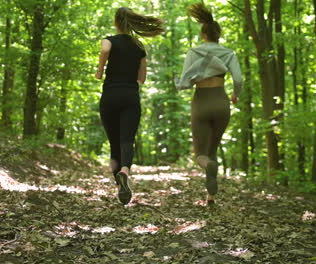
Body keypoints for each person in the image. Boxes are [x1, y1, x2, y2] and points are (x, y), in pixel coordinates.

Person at [95, 7, 164, 205]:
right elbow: (141, 79)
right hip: (130, 97)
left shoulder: (109, 40)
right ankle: (125, 170)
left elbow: (105, 50)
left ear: (117, 22)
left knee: (114, 145)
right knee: (127, 139)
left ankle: (119, 185)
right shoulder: (139, 46)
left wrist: (100, 70)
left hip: (109, 97)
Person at [177, 2, 242, 205]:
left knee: (201, 155)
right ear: (218, 35)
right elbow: (238, 79)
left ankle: (209, 177)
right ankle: (211, 197)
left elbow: (186, 79)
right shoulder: (228, 53)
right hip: (221, 101)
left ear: (203, 35)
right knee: (213, 149)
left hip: (201, 101)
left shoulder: (194, 53)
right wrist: (235, 95)